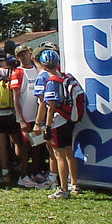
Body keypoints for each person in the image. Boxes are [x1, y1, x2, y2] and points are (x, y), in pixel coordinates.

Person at [38, 50, 79, 199]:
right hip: (69, 119)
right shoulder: (66, 77)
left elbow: (50, 106)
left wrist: (47, 126)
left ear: (43, 65)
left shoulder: (52, 82)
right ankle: (74, 184)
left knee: (59, 155)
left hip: (58, 122)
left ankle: (63, 188)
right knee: (69, 152)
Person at [0, 49, 23, 183]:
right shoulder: (14, 73)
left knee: (1, 144)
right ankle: (20, 167)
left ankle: (5, 172)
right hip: (13, 112)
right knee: (17, 141)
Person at [10, 45, 43, 187]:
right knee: (25, 147)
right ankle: (23, 175)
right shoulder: (17, 73)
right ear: (17, 58)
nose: (24, 57)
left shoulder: (38, 70)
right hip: (25, 117)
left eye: (26, 54)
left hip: (37, 116)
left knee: (38, 146)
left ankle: (35, 172)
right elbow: (15, 98)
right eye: (21, 55)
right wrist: (21, 119)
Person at [32, 46, 59, 190]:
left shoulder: (42, 76)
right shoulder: (59, 73)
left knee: (52, 151)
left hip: (49, 117)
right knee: (58, 151)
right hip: (61, 116)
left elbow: (43, 103)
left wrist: (37, 123)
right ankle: (58, 177)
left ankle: (53, 179)